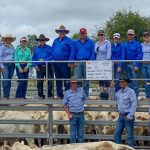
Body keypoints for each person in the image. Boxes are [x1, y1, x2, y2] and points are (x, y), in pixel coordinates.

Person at [52, 25, 75, 99]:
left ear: (65, 32)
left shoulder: (69, 41)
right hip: (56, 62)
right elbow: (52, 50)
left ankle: (67, 95)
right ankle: (59, 95)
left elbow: (72, 51)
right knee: (58, 79)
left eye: (63, 31)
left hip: (65, 62)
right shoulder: (55, 40)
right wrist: (52, 58)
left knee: (66, 79)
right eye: (60, 31)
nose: (61, 32)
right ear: (58, 32)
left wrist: (70, 61)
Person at [114, 79, 137, 148]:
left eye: (123, 82)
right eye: (120, 82)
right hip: (121, 116)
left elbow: (134, 104)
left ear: (126, 83)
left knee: (129, 136)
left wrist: (130, 115)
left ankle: (130, 149)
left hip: (128, 116)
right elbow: (114, 98)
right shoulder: (119, 92)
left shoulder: (131, 92)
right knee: (116, 135)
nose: (121, 83)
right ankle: (120, 149)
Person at [63, 77, 86, 143]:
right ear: (70, 84)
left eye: (75, 83)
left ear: (77, 84)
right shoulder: (67, 93)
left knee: (81, 134)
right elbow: (64, 104)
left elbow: (85, 98)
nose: (74, 84)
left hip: (81, 114)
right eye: (73, 83)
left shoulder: (81, 91)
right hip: (73, 115)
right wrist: (68, 114)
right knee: (72, 135)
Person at [74, 28, 95, 97]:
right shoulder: (75, 42)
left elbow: (93, 52)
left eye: (84, 33)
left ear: (86, 34)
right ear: (79, 34)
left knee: (86, 80)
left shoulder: (90, 42)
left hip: (87, 61)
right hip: (78, 61)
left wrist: (91, 61)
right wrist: (74, 61)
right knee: (78, 79)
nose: (82, 34)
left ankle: (85, 95)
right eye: (81, 33)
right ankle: (78, 95)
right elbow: (73, 52)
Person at [32, 34, 53, 99]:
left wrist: (44, 60)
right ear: (39, 41)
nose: (42, 41)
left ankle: (49, 94)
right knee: (39, 81)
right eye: (40, 40)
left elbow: (52, 56)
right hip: (39, 67)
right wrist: (35, 65)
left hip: (48, 66)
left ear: (45, 40)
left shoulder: (49, 48)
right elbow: (33, 58)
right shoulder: (36, 49)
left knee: (49, 80)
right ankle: (40, 95)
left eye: (43, 40)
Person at [124, 29, 143, 97]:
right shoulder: (125, 44)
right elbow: (123, 55)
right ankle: (130, 97)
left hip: (134, 64)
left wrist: (137, 65)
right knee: (128, 82)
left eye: (131, 34)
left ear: (134, 35)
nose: (130, 36)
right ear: (127, 35)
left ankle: (135, 97)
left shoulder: (137, 44)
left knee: (135, 82)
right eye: (129, 34)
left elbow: (139, 55)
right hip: (126, 64)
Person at [94, 30, 111, 100]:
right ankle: (101, 95)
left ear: (104, 35)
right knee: (100, 80)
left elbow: (109, 53)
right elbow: (95, 51)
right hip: (98, 62)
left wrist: (106, 62)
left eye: (102, 35)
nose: (100, 36)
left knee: (106, 80)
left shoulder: (107, 42)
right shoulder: (96, 43)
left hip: (105, 63)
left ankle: (108, 96)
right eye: (99, 35)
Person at [0, 34, 16, 99]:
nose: (9, 40)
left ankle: (7, 95)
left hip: (12, 65)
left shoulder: (13, 47)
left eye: (10, 39)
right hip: (5, 65)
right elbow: (0, 56)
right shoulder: (2, 47)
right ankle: (5, 96)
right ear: (5, 40)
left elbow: (14, 56)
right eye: (7, 39)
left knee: (9, 80)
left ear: (11, 40)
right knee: (5, 80)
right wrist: (1, 66)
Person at [141, 31, 150, 100]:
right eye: (145, 36)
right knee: (146, 81)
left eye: (148, 36)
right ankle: (148, 96)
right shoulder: (141, 45)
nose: (146, 37)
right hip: (143, 65)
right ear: (143, 37)